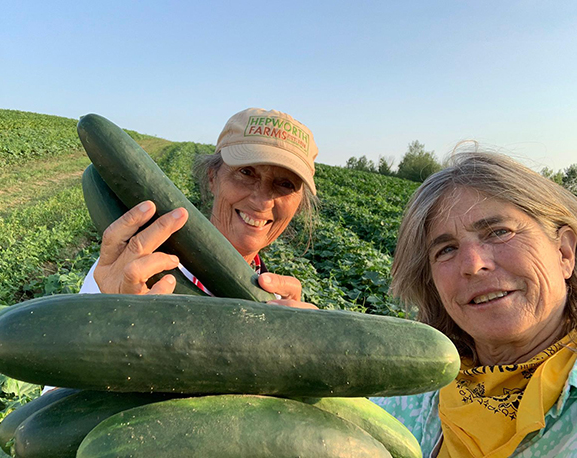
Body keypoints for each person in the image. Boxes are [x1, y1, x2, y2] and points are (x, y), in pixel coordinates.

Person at [371, 151, 577, 457]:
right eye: (446, 249)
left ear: (564, 252)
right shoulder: (410, 390)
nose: (473, 264)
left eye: (498, 233)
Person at [79, 107, 318, 308]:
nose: (263, 199)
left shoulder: (278, 305)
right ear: (213, 177)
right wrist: (108, 318)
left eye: (285, 184)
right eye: (246, 172)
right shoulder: (129, 270)